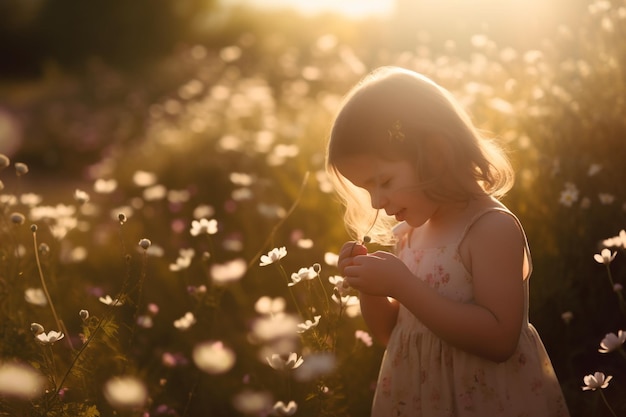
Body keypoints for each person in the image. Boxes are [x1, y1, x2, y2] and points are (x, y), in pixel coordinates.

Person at [328, 66, 569, 417]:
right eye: (367, 189)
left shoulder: (489, 229)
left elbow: (499, 339)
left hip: (487, 400)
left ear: (436, 155)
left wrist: (403, 286)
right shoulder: (410, 233)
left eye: (384, 181)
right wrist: (369, 287)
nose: (376, 201)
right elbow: (390, 334)